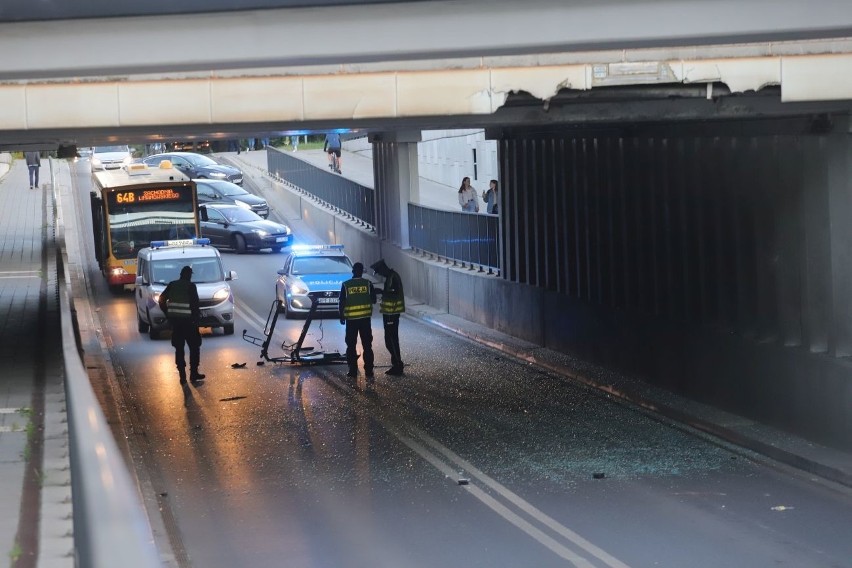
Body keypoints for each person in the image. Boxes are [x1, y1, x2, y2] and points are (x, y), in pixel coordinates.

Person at [158, 265, 205, 384]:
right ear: (189, 275)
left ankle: (182, 376)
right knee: (194, 348)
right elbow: (195, 305)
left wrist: (168, 314)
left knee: (179, 349)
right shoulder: (191, 286)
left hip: (176, 324)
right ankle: (193, 374)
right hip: (189, 324)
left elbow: (161, 299)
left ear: (180, 274)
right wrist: (197, 320)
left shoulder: (172, 285)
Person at [339, 262, 376, 382]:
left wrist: (341, 316)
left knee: (351, 346)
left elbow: (342, 302)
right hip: (365, 320)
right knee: (367, 346)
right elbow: (374, 300)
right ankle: (369, 371)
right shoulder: (368, 284)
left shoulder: (346, 285)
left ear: (353, 271)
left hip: (351, 321)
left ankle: (353, 371)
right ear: (362, 271)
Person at [370, 259, 405, 375]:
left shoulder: (393, 277)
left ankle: (398, 365)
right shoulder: (391, 277)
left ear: (382, 269)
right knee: (390, 340)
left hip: (392, 314)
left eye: (379, 272)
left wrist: (382, 292)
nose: (380, 275)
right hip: (389, 314)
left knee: (391, 341)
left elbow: (395, 293)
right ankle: (396, 364)